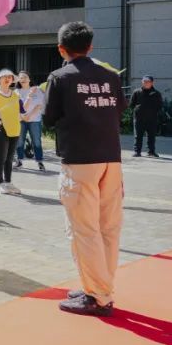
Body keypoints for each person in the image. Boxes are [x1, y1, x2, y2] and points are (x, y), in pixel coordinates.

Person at [43, 22, 127, 317]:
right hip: (111, 158)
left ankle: (98, 296)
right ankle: (99, 286)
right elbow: (119, 109)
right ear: (90, 46)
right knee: (108, 227)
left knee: (84, 230)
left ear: (61, 49)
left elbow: (49, 118)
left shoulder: (60, 77)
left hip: (79, 160)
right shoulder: (111, 76)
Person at [16, 71, 46, 171]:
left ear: (29, 79)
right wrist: (23, 117)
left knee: (36, 141)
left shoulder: (37, 90)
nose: (23, 79)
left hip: (35, 120)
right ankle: (19, 160)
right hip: (21, 120)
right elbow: (16, 108)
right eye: (21, 78)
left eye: (25, 77)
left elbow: (40, 105)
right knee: (20, 141)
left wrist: (30, 115)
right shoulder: (16, 92)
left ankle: (39, 161)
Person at [130, 75, 163, 158]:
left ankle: (151, 152)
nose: (146, 83)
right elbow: (132, 104)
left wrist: (154, 112)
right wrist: (136, 111)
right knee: (138, 136)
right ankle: (137, 151)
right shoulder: (137, 92)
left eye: (148, 82)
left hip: (152, 118)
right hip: (139, 118)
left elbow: (160, 106)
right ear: (142, 82)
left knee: (151, 136)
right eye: (144, 81)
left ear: (152, 83)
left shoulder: (156, 93)